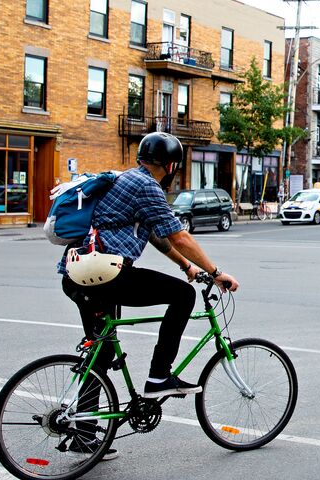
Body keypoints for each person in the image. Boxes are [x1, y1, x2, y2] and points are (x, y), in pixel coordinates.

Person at [58, 132, 239, 406]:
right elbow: (179, 237)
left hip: (78, 274)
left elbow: (156, 235)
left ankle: (84, 435)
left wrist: (186, 265)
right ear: (171, 166)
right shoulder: (146, 186)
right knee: (182, 296)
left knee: (102, 352)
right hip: (106, 274)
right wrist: (216, 273)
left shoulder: (125, 179)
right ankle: (159, 377)